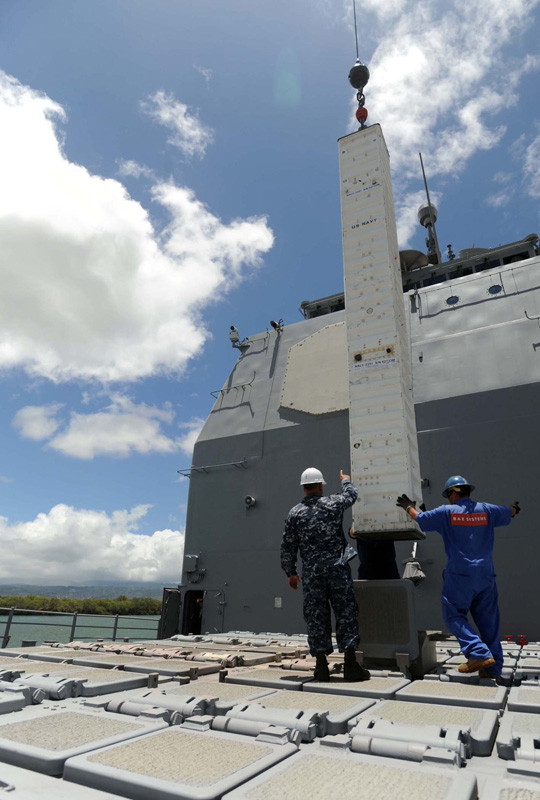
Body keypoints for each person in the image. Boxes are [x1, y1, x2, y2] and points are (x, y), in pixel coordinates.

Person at [396, 475, 520, 678]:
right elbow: (509, 513)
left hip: (460, 574)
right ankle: (492, 668)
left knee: (453, 614)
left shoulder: (447, 512)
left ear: (453, 493)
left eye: (448, 495)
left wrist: (409, 507)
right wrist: (514, 509)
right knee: (489, 621)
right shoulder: (486, 510)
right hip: (486, 575)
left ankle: (478, 653)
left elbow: (422, 520)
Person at [281, 467, 370, 682]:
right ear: (321, 486)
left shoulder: (295, 513)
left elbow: (288, 546)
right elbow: (352, 495)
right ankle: (350, 665)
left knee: (316, 617)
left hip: (312, 575)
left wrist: (291, 572)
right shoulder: (333, 503)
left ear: (304, 488)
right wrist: (345, 480)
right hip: (338, 569)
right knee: (346, 613)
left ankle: (321, 667)